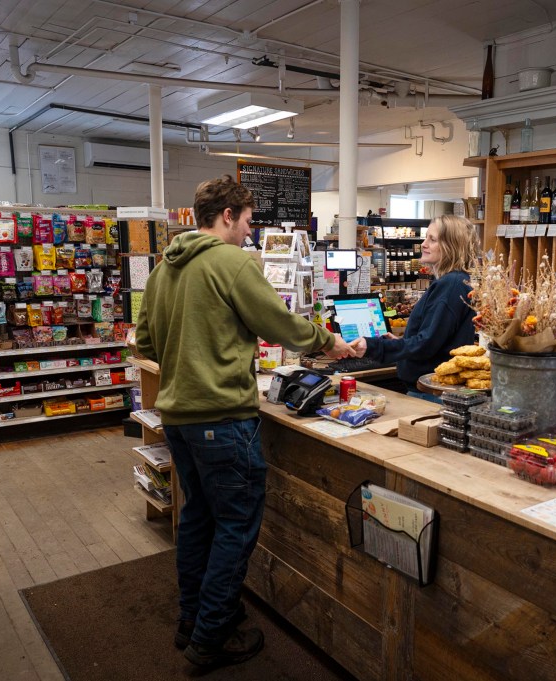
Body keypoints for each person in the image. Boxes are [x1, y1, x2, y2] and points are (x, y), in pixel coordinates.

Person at [135, 175, 353, 668]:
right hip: (223, 419)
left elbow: (145, 344)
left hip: (178, 419)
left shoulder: (163, 269)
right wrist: (327, 341)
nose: (249, 235)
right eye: (248, 223)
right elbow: (278, 323)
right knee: (234, 528)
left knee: (196, 520)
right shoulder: (232, 263)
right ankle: (210, 639)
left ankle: (191, 619)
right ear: (227, 216)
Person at [349, 215, 478, 401]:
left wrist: (373, 346)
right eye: (426, 237)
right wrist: (400, 342)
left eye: (432, 239)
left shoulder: (451, 284)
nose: (424, 244)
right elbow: (437, 338)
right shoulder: (454, 281)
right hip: (434, 389)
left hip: (432, 393)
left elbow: (427, 343)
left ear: (452, 246)